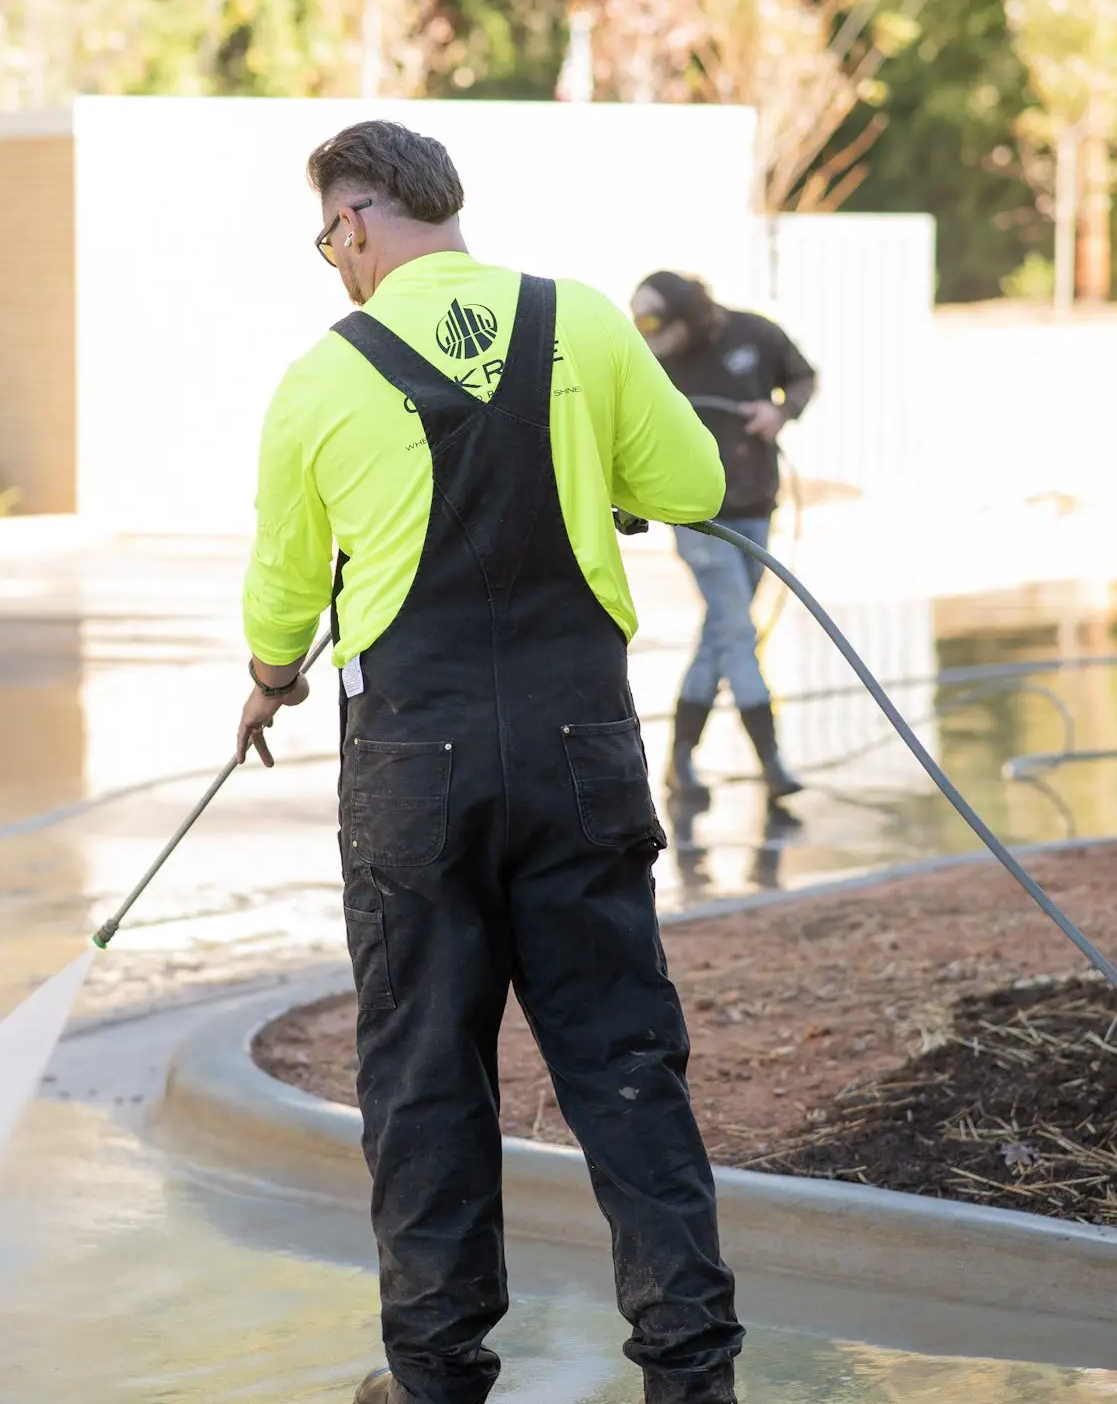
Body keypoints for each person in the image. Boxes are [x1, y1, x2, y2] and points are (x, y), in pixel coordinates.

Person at [237, 121, 744, 1404]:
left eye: (326, 239)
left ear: (354, 222)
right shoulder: (580, 319)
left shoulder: (321, 377)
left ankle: (435, 1376)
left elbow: (287, 592)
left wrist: (267, 678)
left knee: (421, 1076)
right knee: (626, 1067)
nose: (332, 263)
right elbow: (689, 481)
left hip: (420, 771)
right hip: (581, 756)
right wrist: (605, 473)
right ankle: (692, 1377)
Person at [629, 272, 816, 809]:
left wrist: (779, 411)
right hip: (698, 518)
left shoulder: (755, 336)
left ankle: (680, 762)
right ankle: (772, 763)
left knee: (720, 634)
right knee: (736, 630)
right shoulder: (654, 360)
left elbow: (803, 378)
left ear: (690, 317)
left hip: (757, 506)